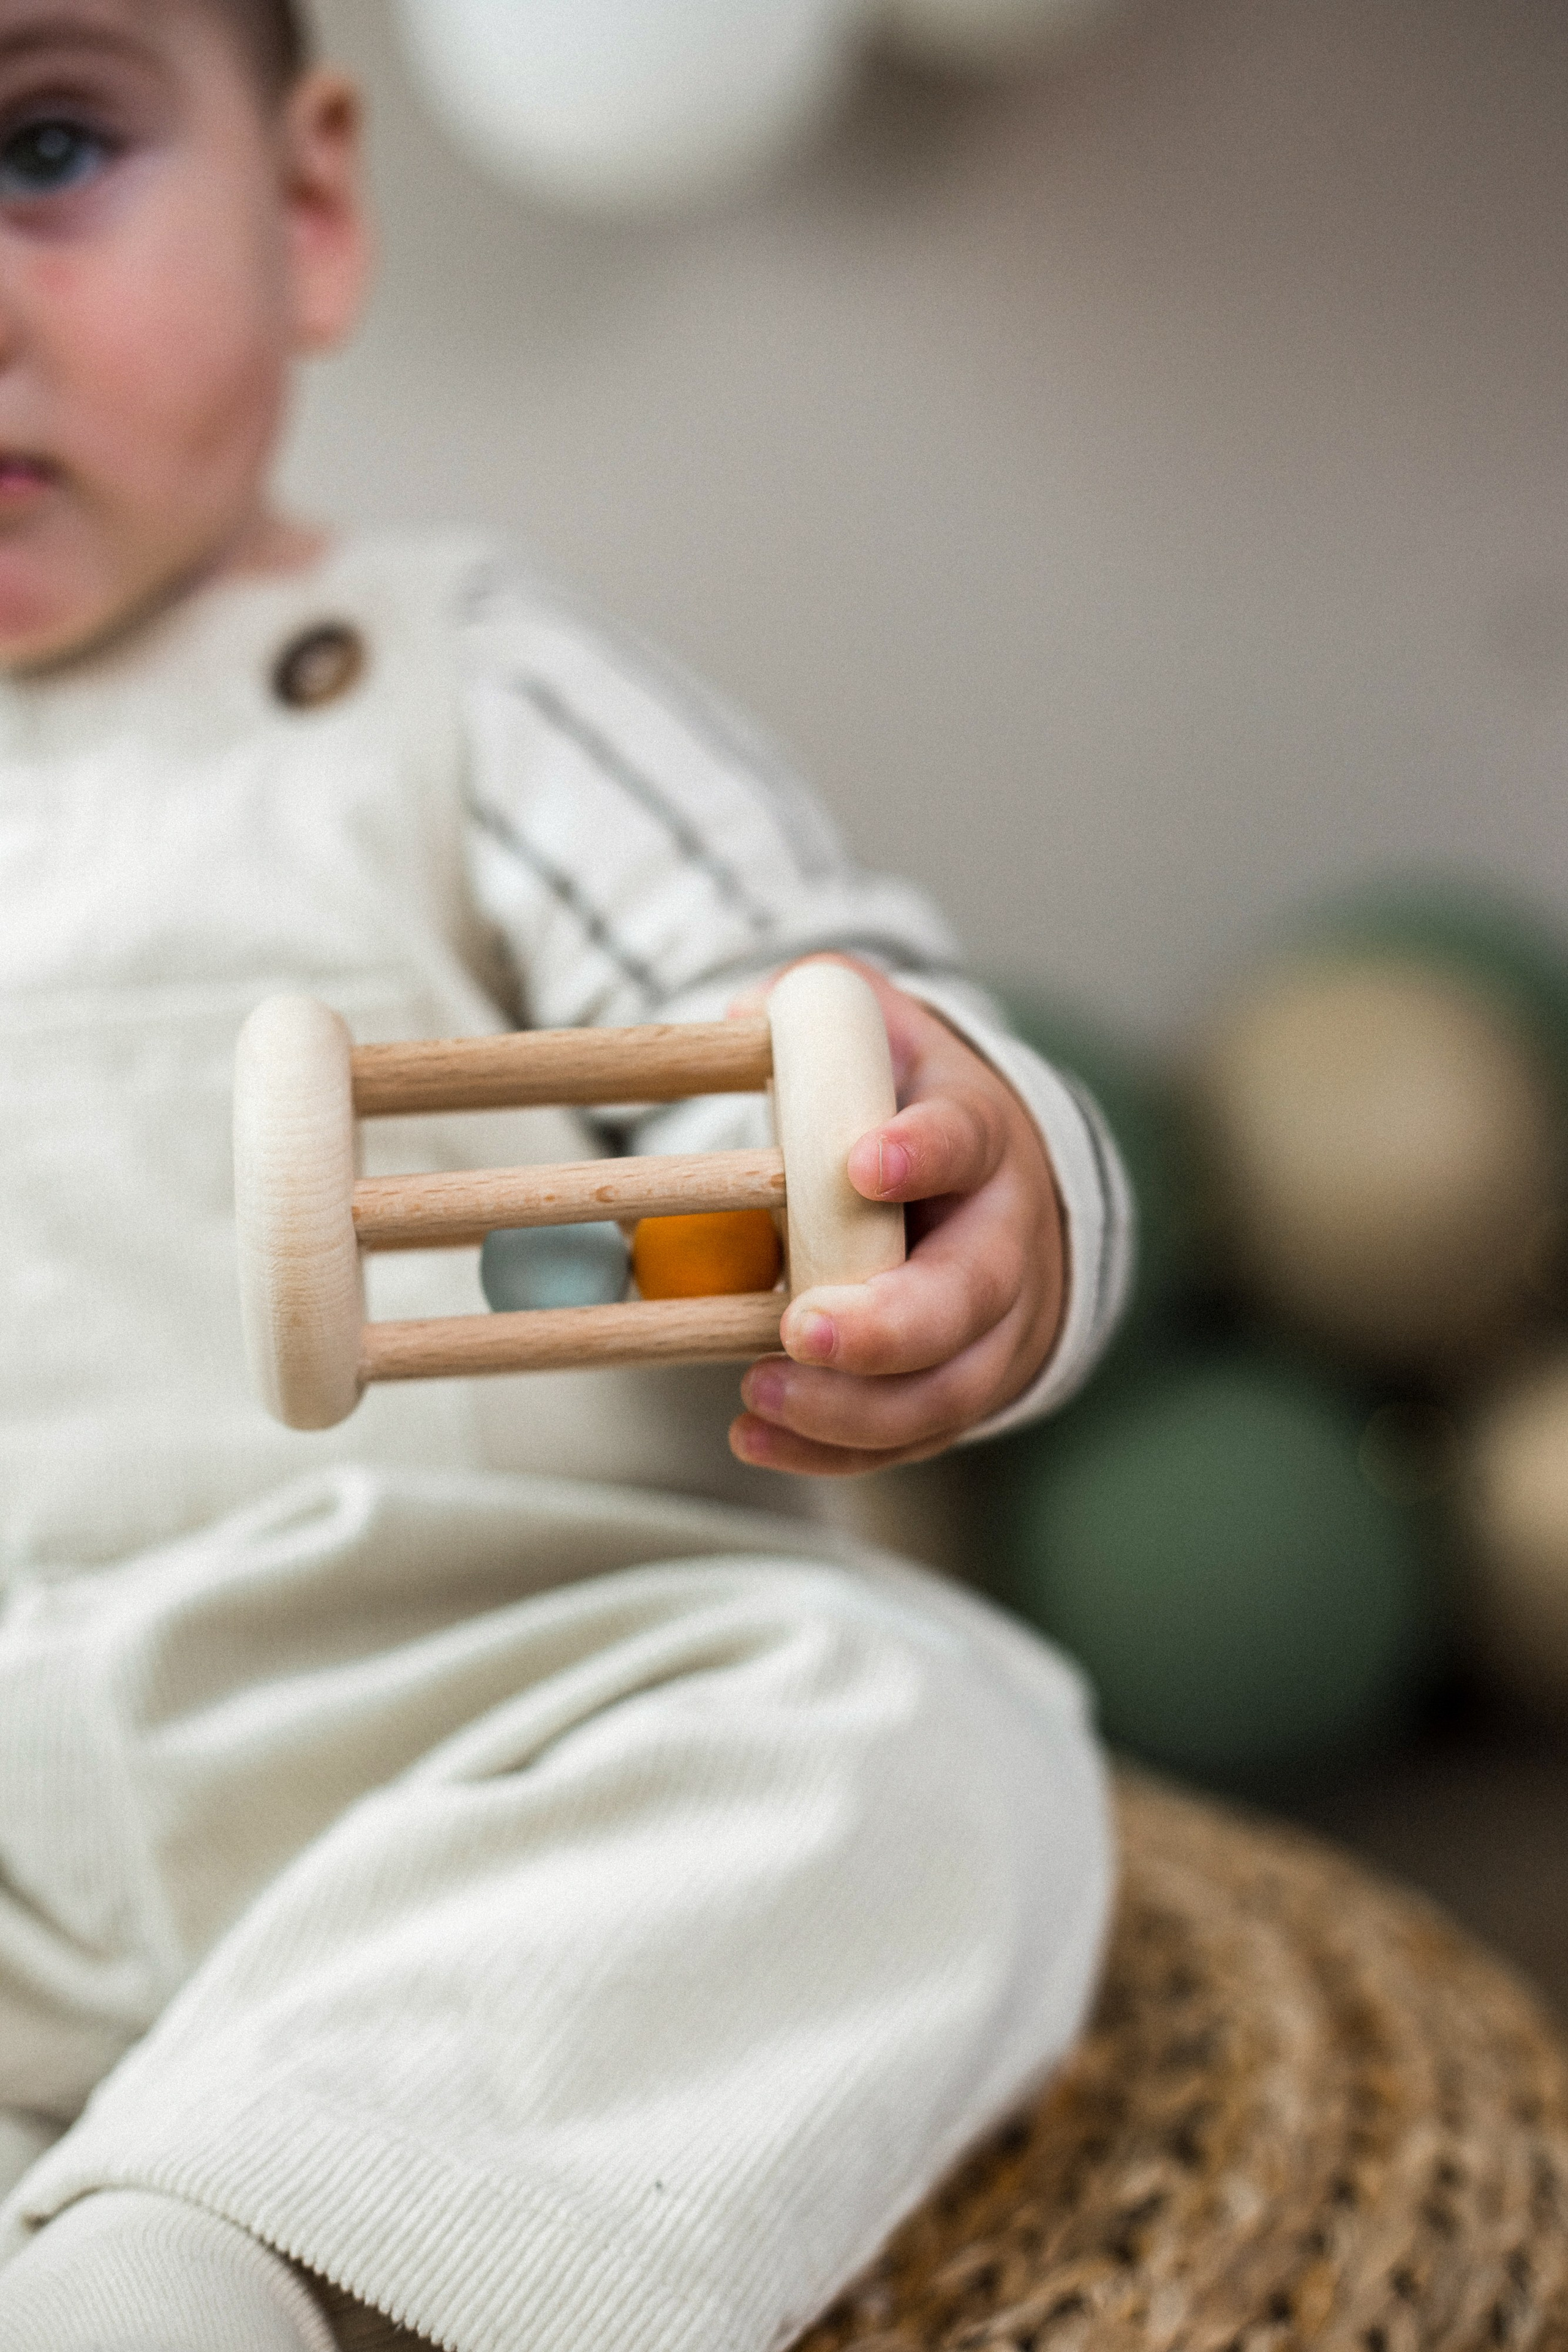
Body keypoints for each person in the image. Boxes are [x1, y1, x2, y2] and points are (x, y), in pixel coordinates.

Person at [0, 4, 1132, 2347]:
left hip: (506, 1722)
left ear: (306, 208)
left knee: (933, 1752)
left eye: (45, 147)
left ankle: (225, 2256)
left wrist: (945, 1195)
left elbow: (823, 1047)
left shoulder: (456, 682)